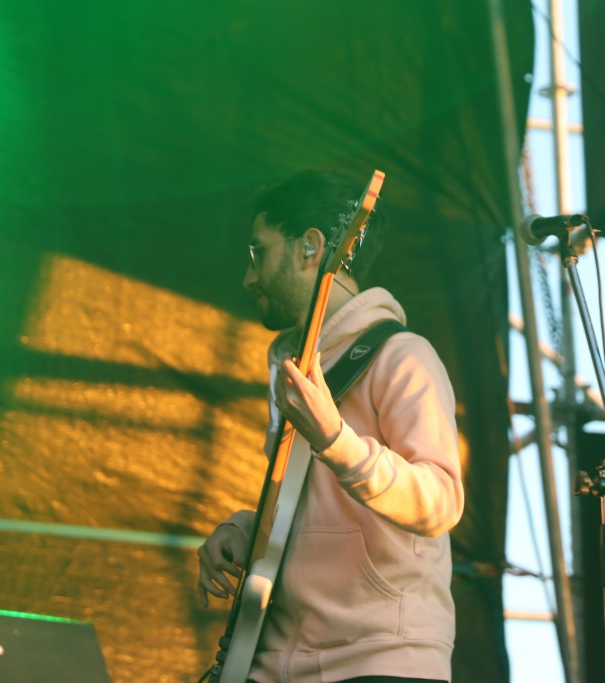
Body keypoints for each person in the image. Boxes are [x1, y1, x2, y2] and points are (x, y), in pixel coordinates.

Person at [197, 170, 465, 683]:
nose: (249, 278)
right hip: (275, 661)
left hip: (383, 658)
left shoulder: (403, 356)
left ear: (310, 248)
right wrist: (246, 530)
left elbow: (441, 500)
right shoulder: (292, 367)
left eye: (258, 252)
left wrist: (336, 441)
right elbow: (316, 512)